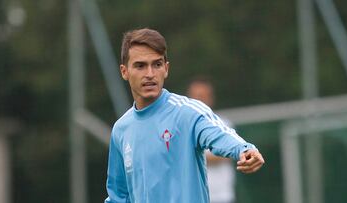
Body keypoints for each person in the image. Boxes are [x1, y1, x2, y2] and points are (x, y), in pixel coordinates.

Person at [104, 28, 264, 203]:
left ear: (166, 68)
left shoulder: (188, 113)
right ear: (124, 71)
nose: (150, 74)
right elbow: (118, 196)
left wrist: (244, 149)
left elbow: (219, 134)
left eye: (157, 64)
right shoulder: (121, 129)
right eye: (140, 66)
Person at [187, 77, 236, 203]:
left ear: (211, 98)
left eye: (203, 96)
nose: (199, 101)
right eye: (196, 96)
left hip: (220, 196)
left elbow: (228, 155)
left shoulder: (223, 124)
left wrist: (190, 156)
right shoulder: (182, 127)